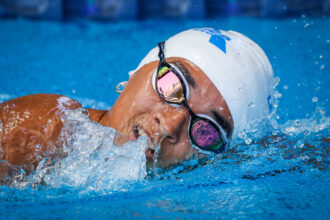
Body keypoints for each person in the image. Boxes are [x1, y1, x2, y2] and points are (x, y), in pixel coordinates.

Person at [0, 28, 274, 180]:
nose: (169, 125)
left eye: (206, 131)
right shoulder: (41, 131)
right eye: (173, 86)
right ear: (142, 68)